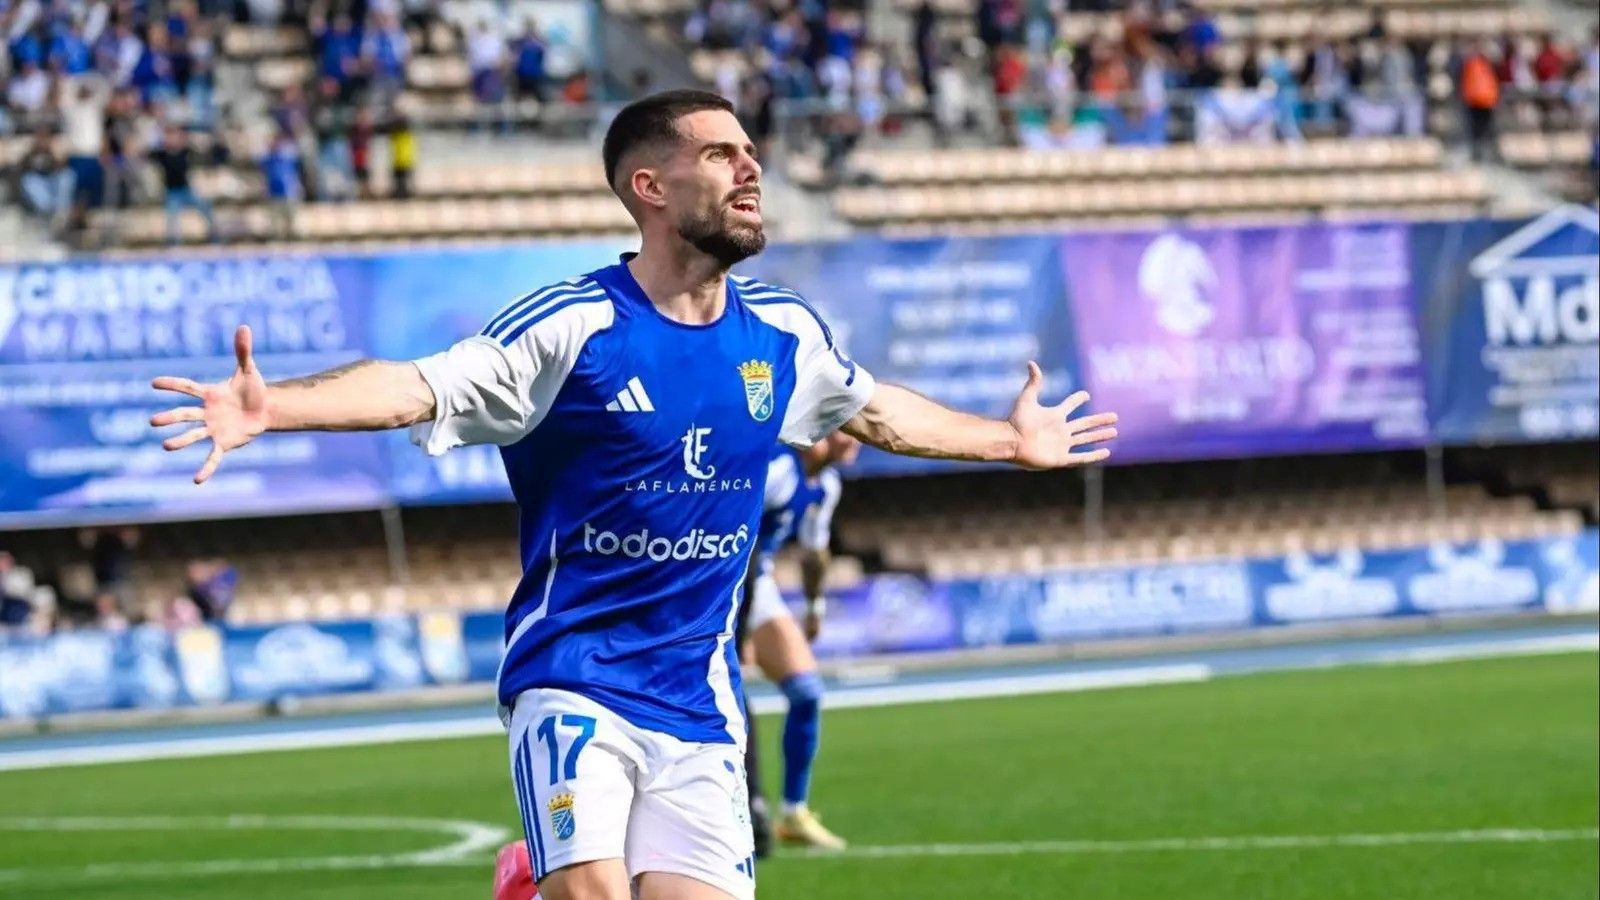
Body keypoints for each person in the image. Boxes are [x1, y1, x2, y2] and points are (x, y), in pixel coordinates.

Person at [149, 89, 1118, 900]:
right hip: (575, 676)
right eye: (720, 154)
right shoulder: (572, 326)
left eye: (751, 152)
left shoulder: (783, 334)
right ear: (649, 187)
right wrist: (276, 407)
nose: (750, 168)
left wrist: (1008, 440)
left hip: (700, 696)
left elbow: (875, 411)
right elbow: (418, 385)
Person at [736, 432, 859, 854]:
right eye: (846, 428)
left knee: (806, 692)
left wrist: (814, 607)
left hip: (760, 585)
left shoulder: (826, 486)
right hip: (725, 586)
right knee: (725, 698)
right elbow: (730, 525)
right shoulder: (778, 470)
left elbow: (814, 552)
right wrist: (737, 626)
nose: (856, 439)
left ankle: (793, 811)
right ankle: (738, 807)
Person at [149, 124, 219, 244]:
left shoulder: (185, 152)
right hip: (172, 192)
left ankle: (214, 236)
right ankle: (173, 242)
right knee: (172, 216)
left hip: (186, 190)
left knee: (205, 205)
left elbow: (201, 149)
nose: (173, 139)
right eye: (170, 136)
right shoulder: (162, 154)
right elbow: (148, 153)